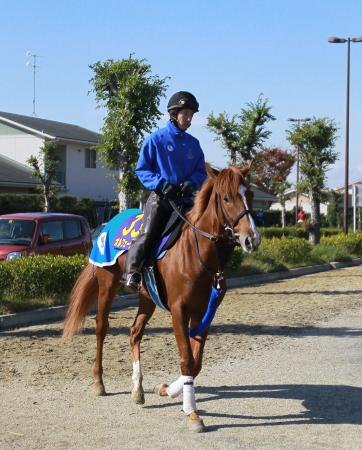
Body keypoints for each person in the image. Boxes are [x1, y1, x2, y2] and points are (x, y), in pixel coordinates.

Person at [124, 91, 208, 290]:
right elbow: (142, 169)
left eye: (191, 115)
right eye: (185, 114)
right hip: (161, 200)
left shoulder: (194, 144)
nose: (189, 119)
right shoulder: (155, 140)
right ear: (173, 114)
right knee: (148, 233)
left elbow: (201, 171)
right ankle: (132, 272)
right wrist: (161, 184)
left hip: (186, 201)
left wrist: (192, 182)